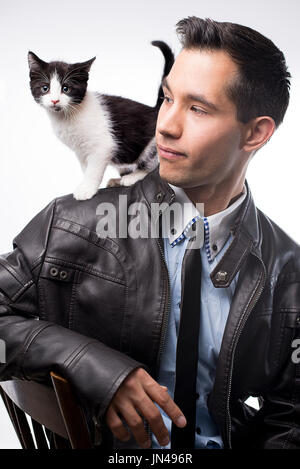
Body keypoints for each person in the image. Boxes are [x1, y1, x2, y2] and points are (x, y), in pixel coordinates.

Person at [0, 16, 299, 450]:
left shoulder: (286, 270)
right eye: (166, 98)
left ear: (256, 132)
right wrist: (92, 365)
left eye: (197, 108)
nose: (165, 125)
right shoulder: (71, 225)